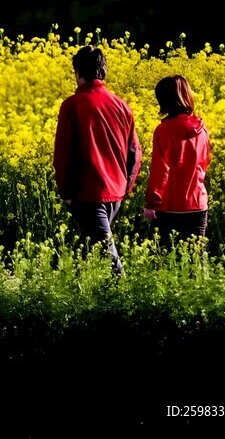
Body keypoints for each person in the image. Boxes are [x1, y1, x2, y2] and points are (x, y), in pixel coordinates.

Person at [53, 46, 142, 276]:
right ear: (103, 71)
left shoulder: (72, 105)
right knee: (89, 247)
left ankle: (126, 306)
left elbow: (63, 154)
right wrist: (126, 186)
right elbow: (135, 153)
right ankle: (82, 300)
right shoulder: (122, 105)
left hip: (89, 194)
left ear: (77, 72)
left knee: (110, 260)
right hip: (116, 192)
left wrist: (66, 193)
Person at [142, 75, 211, 246]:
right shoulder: (202, 130)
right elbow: (204, 163)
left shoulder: (163, 130)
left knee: (165, 259)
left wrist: (151, 202)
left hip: (169, 205)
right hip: (197, 203)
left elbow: (160, 170)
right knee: (196, 259)